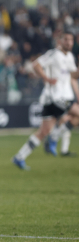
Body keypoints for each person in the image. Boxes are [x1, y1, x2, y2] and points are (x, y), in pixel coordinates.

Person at [13, 31, 79, 170]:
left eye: (71, 40)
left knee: (43, 131)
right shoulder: (54, 54)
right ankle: (54, 138)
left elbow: (72, 76)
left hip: (61, 97)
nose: (69, 42)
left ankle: (19, 157)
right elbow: (36, 65)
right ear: (60, 41)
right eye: (66, 39)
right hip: (55, 97)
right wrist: (46, 78)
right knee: (75, 116)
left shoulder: (70, 57)